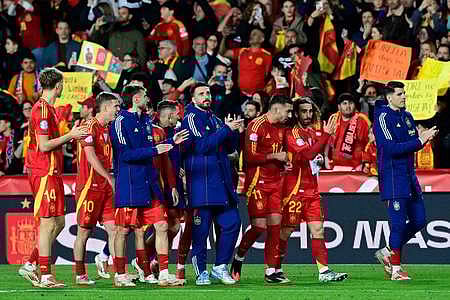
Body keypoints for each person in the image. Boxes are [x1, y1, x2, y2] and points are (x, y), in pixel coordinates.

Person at [109, 84, 189, 287]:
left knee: (162, 225)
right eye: (144, 96)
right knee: (123, 231)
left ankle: (163, 273)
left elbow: (155, 150)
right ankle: (120, 274)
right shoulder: (119, 122)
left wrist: (171, 142)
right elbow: (125, 155)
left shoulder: (146, 121)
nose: (147, 99)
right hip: (130, 184)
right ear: (136, 99)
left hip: (150, 183)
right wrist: (156, 150)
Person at [19, 68, 88, 288]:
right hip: (43, 171)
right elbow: (44, 145)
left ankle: (31, 264)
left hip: (52, 171)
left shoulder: (49, 109)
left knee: (58, 221)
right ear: (58, 85)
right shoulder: (41, 110)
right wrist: (71, 135)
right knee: (48, 224)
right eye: (62, 84)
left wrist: (70, 134)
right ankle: (46, 275)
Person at [373, 81, 438, 281]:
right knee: (398, 225)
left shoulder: (408, 117)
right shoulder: (383, 116)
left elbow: (411, 146)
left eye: (404, 93)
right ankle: (396, 270)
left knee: (420, 220)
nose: (404, 97)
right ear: (389, 97)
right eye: (400, 94)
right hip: (393, 177)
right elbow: (390, 148)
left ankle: (387, 252)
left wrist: (424, 139)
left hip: (409, 176)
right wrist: (420, 140)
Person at [280, 97, 348, 282]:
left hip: (312, 190)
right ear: (296, 113)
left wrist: (319, 157)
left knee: (318, 230)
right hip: (294, 190)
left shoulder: (311, 132)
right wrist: (326, 136)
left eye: (310, 111)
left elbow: (313, 156)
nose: (308, 115)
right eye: (303, 111)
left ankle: (324, 271)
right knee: (285, 232)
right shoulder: (291, 133)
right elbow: (307, 154)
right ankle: (274, 269)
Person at [181, 83, 241, 285]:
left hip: (222, 183)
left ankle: (220, 266)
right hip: (202, 185)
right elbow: (202, 147)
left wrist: (234, 132)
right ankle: (200, 273)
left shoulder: (215, 119)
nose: (206, 96)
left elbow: (230, 148)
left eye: (208, 93)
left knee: (233, 223)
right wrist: (226, 130)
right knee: (201, 232)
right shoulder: (190, 118)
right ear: (193, 99)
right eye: (201, 94)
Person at [231, 95, 293, 283]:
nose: (289, 114)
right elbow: (250, 157)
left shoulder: (283, 129)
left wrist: (285, 163)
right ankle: (239, 257)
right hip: (257, 182)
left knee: (275, 226)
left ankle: (271, 271)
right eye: (287, 110)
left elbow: (281, 155)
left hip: (276, 182)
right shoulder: (256, 126)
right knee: (259, 226)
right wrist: (277, 156)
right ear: (276, 109)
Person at [73, 92, 120, 285]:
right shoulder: (88, 126)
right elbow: (91, 157)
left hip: (106, 186)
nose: (118, 109)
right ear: (106, 107)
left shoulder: (108, 128)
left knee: (114, 229)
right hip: (90, 186)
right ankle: (80, 274)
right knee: (83, 231)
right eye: (116, 106)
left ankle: (119, 273)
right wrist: (109, 177)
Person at [325, 93, 370, 170]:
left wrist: (365, 163)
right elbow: (327, 141)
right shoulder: (333, 118)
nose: (348, 106)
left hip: (356, 167)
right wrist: (326, 158)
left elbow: (369, 143)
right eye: (344, 103)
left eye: (351, 103)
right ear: (339, 106)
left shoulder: (362, 120)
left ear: (355, 105)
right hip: (335, 166)